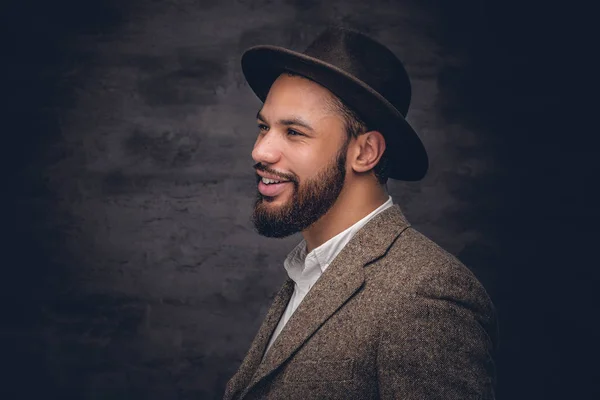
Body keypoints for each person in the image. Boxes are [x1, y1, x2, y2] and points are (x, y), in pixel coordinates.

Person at [223, 26, 497, 400]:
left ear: (366, 152)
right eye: (263, 127)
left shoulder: (424, 295)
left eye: (294, 133)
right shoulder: (311, 271)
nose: (261, 152)